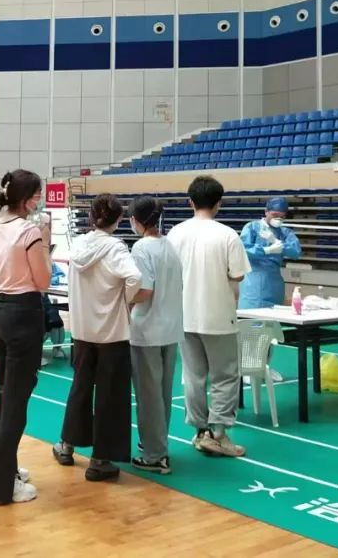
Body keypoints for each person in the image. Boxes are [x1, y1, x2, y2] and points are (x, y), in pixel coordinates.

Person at [52, 194, 141, 482]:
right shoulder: (116, 248)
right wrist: (126, 301)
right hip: (112, 332)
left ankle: (67, 445)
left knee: (80, 388)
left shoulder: (79, 245)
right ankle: (100, 459)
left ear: (91, 217)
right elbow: (135, 278)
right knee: (110, 395)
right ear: (118, 219)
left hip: (82, 330)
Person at [167, 176, 251, 458]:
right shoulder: (227, 235)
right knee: (225, 376)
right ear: (218, 204)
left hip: (184, 316)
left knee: (193, 376)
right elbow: (238, 275)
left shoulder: (175, 234)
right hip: (218, 317)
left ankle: (200, 432)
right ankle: (218, 434)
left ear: (190, 202)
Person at [0, 169, 51, 505]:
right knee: (15, 403)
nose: (39, 199)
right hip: (23, 314)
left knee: (1, 395)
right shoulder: (28, 231)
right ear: (26, 198)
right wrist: (45, 242)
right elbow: (43, 280)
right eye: (37, 194)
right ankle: (2, 486)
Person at [128, 196, 184, 475]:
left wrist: (123, 299)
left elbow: (145, 290)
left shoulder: (141, 248)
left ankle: (155, 454)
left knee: (148, 394)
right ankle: (156, 442)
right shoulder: (169, 245)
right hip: (170, 328)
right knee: (162, 393)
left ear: (136, 221)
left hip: (147, 329)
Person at [238, 197, 301, 310]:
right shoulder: (252, 227)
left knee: (274, 319)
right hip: (253, 285)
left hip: (275, 284)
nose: (278, 219)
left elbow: (296, 252)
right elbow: (242, 250)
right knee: (252, 317)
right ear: (266, 212)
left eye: (282, 217)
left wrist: (276, 241)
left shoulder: (285, 232)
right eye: (275, 215)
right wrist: (266, 250)